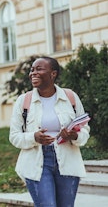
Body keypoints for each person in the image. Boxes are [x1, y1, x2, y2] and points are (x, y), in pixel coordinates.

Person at [9, 56, 90, 207]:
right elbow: (14, 137)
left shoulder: (70, 97)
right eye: (32, 70)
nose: (33, 73)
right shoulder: (23, 101)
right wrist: (34, 137)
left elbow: (84, 128)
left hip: (67, 160)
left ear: (53, 74)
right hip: (37, 162)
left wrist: (74, 135)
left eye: (39, 69)